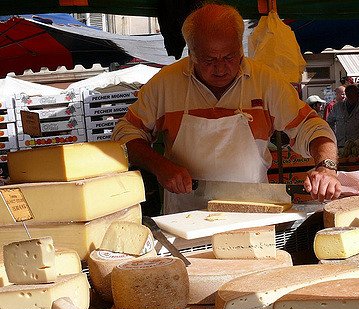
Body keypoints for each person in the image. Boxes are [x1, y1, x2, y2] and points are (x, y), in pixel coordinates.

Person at [112, 3, 341, 214]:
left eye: (230, 57)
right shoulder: (165, 84)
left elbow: (311, 126)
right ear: (191, 54)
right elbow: (125, 133)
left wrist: (326, 166)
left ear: (240, 48)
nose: (221, 68)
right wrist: (160, 166)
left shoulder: (266, 82)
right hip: (185, 218)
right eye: (209, 60)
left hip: (254, 213)